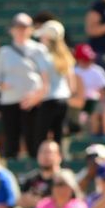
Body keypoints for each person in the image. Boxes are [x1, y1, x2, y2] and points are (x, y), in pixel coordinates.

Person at [0, 12, 48, 158]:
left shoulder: (39, 49)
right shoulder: (4, 52)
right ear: (12, 29)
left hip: (32, 103)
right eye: (18, 27)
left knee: (34, 141)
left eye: (25, 27)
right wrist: (3, 85)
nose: (22, 30)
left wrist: (36, 96)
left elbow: (46, 79)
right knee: (11, 141)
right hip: (9, 102)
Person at [32, 20, 76, 151]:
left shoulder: (43, 56)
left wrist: (32, 100)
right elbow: (72, 86)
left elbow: (45, 85)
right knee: (59, 136)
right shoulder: (65, 56)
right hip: (63, 100)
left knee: (40, 137)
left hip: (48, 100)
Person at [18, 140, 64, 208]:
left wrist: (37, 202)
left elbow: (61, 205)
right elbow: (20, 202)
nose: (45, 156)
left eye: (49, 152)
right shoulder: (30, 179)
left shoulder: (64, 180)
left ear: (59, 156)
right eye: (42, 152)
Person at [73, 44, 105, 135]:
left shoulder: (97, 71)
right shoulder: (73, 71)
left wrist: (103, 105)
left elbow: (103, 92)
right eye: (84, 59)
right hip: (78, 101)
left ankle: (94, 136)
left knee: (95, 113)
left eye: (88, 59)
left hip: (94, 101)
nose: (86, 61)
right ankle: (77, 137)